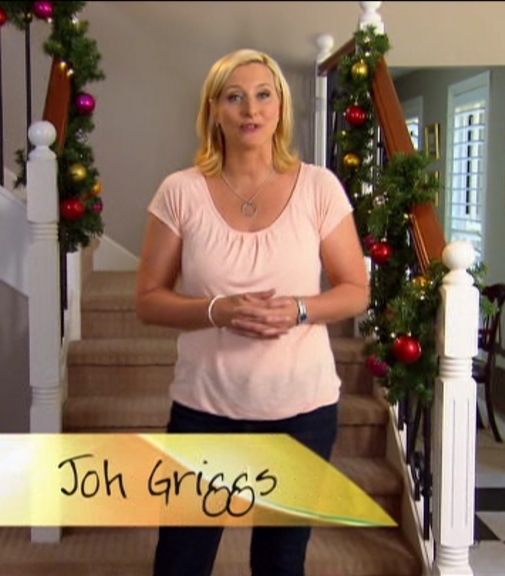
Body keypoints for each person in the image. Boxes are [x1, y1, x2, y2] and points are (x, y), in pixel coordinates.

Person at [135, 48, 370, 576]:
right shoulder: (180, 191)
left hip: (302, 410)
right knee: (180, 563)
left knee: (280, 563)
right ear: (213, 110)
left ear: (281, 107)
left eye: (264, 95)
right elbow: (149, 299)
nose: (251, 109)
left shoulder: (319, 187)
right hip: (205, 410)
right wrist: (216, 310)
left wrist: (300, 310)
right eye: (235, 97)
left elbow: (356, 290)